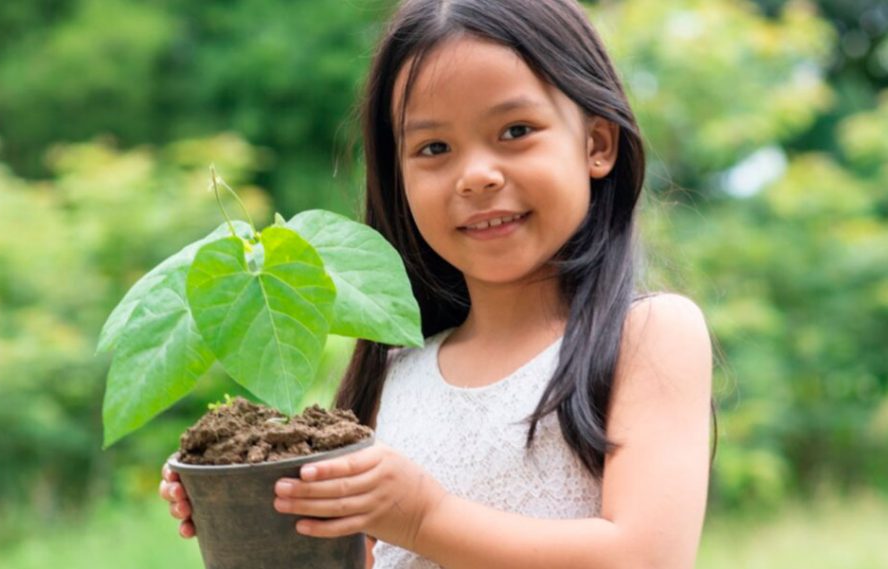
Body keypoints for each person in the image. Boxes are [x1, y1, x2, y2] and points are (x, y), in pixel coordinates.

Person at [160, 0, 714, 567]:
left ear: (597, 144)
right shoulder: (397, 366)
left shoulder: (646, 334)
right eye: (433, 148)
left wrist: (424, 517)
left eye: (515, 130)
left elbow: (645, 557)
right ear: (397, 176)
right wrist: (252, 498)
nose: (476, 176)